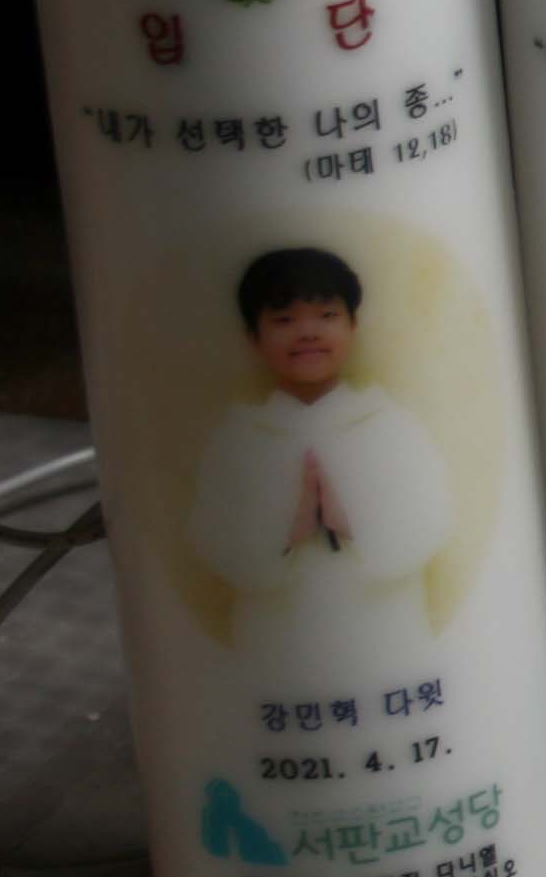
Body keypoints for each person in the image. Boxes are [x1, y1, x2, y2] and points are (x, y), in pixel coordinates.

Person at [186, 246, 456, 689]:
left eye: (327, 315)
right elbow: (212, 540)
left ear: (353, 326)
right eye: (284, 320)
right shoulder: (240, 438)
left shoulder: (390, 425)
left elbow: (433, 522)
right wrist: (287, 530)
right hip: (276, 642)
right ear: (253, 337)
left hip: (384, 634)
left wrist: (349, 522)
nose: (308, 332)